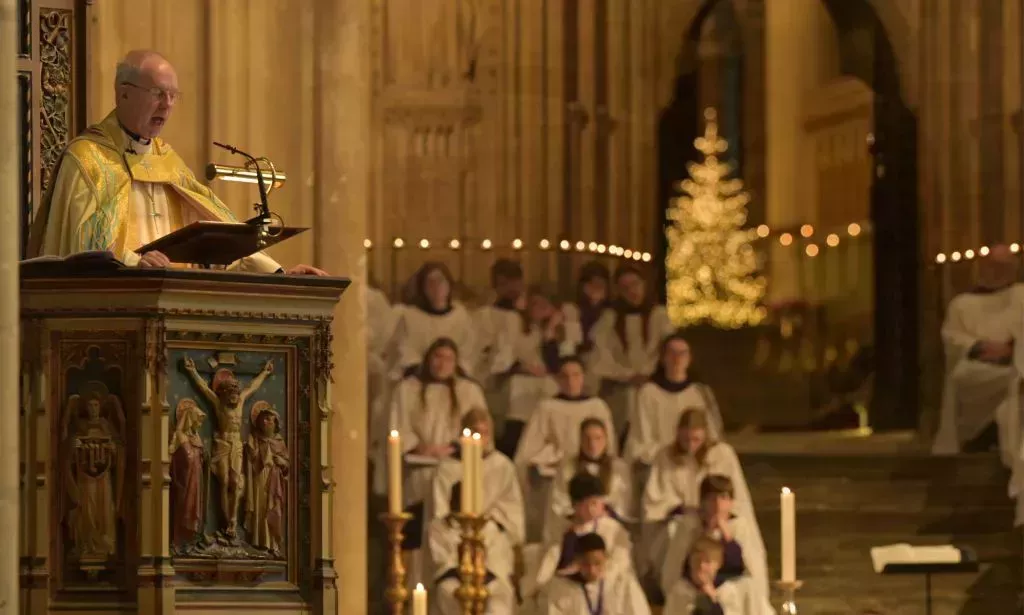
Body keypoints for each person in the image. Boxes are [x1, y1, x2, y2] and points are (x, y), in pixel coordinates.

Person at [28, 49, 324, 275]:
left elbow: (219, 239)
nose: (167, 105)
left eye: (173, 96)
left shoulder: (169, 163)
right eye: (158, 94)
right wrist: (135, 263)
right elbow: (79, 249)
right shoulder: (87, 160)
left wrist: (280, 274)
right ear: (123, 94)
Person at [387, 338, 486, 583]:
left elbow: (479, 428)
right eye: (437, 357)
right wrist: (421, 447)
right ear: (428, 359)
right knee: (416, 538)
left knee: (445, 533)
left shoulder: (469, 391)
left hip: (454, 471)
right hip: (418, 474)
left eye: (448, 359)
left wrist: (452, 447)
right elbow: (397, 429)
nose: (442, 364)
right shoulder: (407, 389)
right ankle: (412, 592)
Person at [640, 410, 760, 583]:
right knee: (675, 533)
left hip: (722, 519)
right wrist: (681, 508)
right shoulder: (665, 456)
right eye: (685, 440)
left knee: (741, 538)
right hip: (685, 520)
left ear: (705, 434)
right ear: (678, 434)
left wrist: (719, 513)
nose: (691, 445)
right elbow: (654, 500)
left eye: (696, 440)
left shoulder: (722, 454)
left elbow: (736, 494)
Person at [429, 409, 524, 615]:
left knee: (499, 596)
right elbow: (440, 513)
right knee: (449, 593)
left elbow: (511, 513)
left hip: (492, 552)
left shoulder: (502, 466)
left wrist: (488, 524)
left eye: (484, 432)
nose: (479, 438)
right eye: (474, 432)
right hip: (453, 550)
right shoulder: (447, 468)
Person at [933, 244, 1021, 463]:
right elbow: (952, 337)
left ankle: (1000, 437)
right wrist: (979, 347)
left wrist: (1011, 349)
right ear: (983, 267)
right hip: (977, 366)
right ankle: (982, 435)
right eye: (995, 266)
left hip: (1014, 362)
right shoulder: (962, 304)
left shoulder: (1021, 295)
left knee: (1018, 381)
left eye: (1006, 266)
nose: (1000, 271)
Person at [660, 475, 772, 614]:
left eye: (724, 498)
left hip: (733, 589)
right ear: (702, 502)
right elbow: (675, 568)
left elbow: (751, 569)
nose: (718, 504)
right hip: (696, 589)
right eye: (712, 498)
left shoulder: (740, 527)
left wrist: (726, 535)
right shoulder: (689, 526)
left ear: (731, 502)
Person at [589, 264, 675, 441]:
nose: (632, 291)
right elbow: (601, 354)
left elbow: (668, 349)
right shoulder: (610, 318)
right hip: (621, 386)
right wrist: (627, 376)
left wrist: (649, 375)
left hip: (653, 384)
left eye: (635, 284)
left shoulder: (659, 316)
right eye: (625, 288)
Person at [625, 333, 723, 466]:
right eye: (672, 353)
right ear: (663, 358)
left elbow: (712, 434)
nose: (677, 359)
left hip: (695, 459)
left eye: (682, 353)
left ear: (689, 358)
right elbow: (641, 438)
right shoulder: (648, 393)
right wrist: (670, 454)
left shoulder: (700, 393)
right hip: (660, 461)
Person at [533, 473, 635, 595]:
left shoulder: (612, 528)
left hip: (603, 584)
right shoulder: (562, 528)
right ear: (574, 505)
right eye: (586, 504)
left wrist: (596, 572)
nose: (591, 509)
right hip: (566, 585)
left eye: (595, 503)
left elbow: (620, 561)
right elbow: (550, 559)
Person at [546, 418, 634, 542]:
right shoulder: (567, 468)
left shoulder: (619, 468)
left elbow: (623, 503)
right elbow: (558, 502)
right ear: (580, 441)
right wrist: (580, 514)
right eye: (587, 439)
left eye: (598, 438)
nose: (592, 444)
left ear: (606, 440)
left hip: (607, 527)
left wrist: (602, 513)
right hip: (576, 526)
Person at [391, 262, 479, 379]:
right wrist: (426, 370)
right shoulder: (410, 317)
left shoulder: (461, 316)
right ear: (423, 288)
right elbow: (405, 349)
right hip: (419, 378)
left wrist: (450, 368)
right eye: (430, 282)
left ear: (449, 285)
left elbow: (468, 349)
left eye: (440, 281)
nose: (436, 287)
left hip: (453, 379)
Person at [541, 532, 651, 615]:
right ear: (576, 561)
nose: (592, 570)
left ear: (606, 558)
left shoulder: (623, 582)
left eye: (597, 563)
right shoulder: (562, 588)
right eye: (585, 564)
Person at [562, 262, 613, 395]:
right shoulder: (571, 310)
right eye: (592, 284)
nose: (596, 288)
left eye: (601, 285)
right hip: (582, 365)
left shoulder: (611, 314)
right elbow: (570, 345)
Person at [663, 537, 746, 615]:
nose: (701, 566)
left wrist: (712, 599)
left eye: (707, 561)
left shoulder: (727, 592)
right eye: (697, 560)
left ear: (718, 564)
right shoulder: (680, 591)